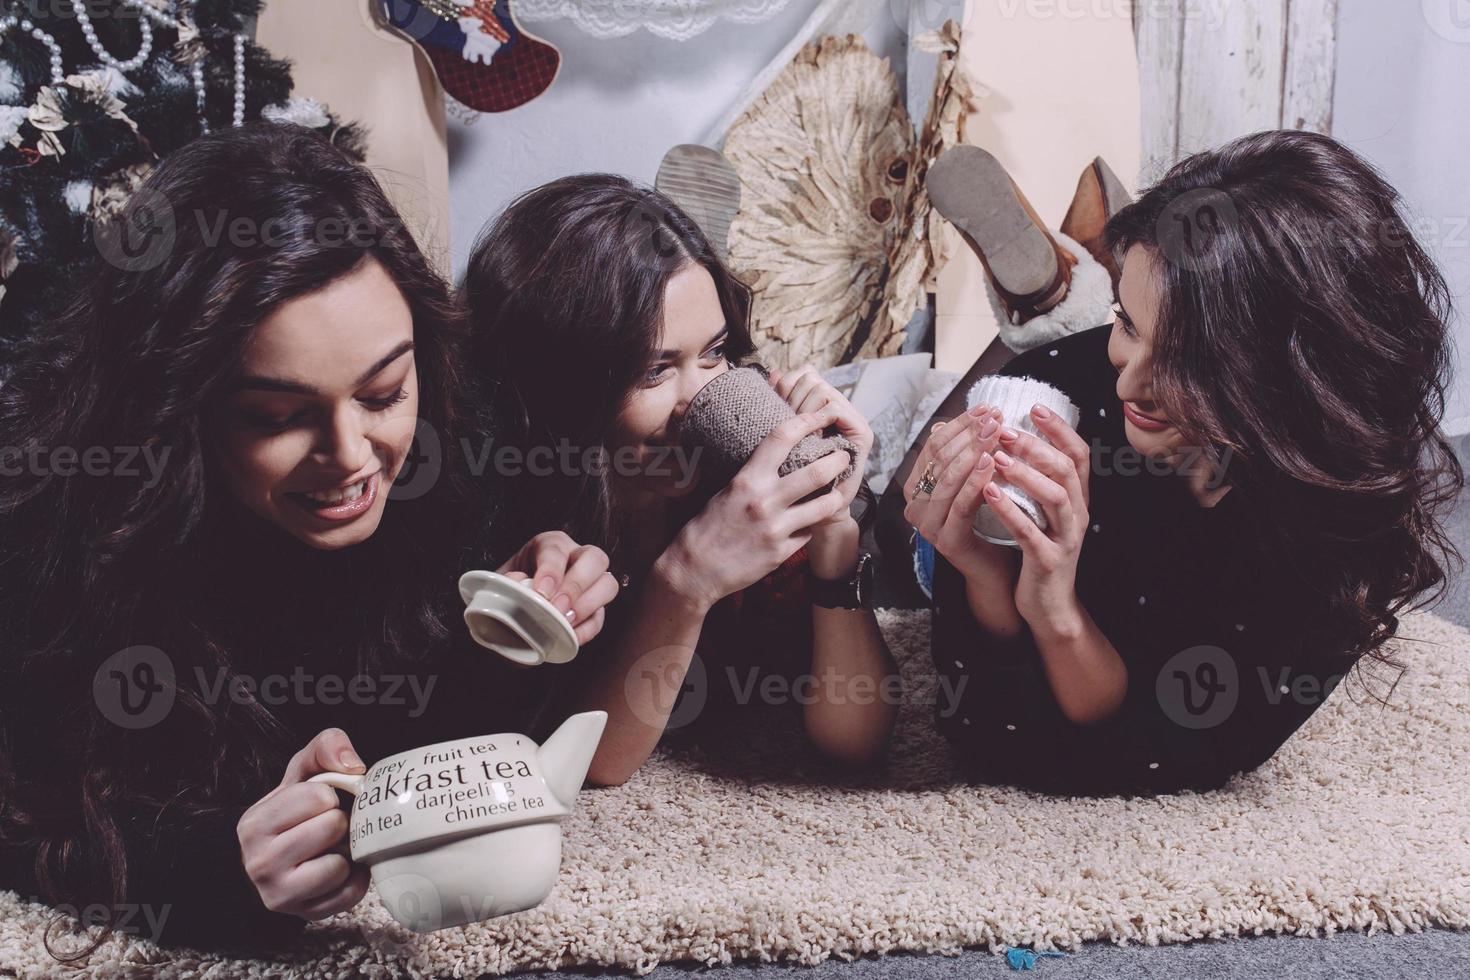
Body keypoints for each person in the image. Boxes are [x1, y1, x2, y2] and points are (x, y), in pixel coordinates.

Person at [0, 124, 618, 952]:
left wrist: (503, 632)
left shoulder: (454, 440)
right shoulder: (53, 510)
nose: (352, 458)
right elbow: (27, 821)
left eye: (383, 391)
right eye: (278, 417)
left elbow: (417, 742)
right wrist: (216, 867)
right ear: (177, 409)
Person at [898, 130, 1462, 795]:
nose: (1129, 386)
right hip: (998, 506)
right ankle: (1074, 302)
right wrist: (987, 576)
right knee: (902, 519)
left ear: (1293, 378)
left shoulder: (1334, 542)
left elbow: (1153, 755)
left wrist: (1053, 609)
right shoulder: (1076, 387)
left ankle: (1067, 292)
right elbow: (976, 725)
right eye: (1127, 324)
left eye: (1186, 362)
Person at [461, 175, 899, 786]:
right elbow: (593, 763)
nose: (700, 400)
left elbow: (854, 742)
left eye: (716, 352)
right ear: (558, 381)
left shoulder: (747, 479)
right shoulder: (511, 515)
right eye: (652, 371)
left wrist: (833, 533)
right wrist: (685, 581)